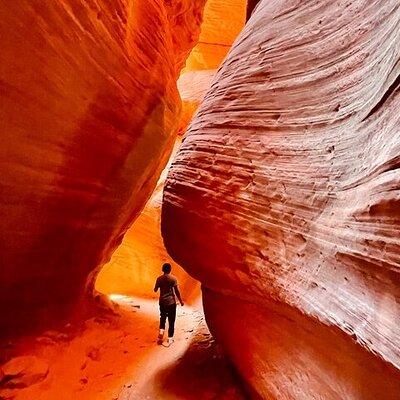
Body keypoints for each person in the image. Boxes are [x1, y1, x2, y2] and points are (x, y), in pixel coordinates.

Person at [154, 263, 184, 345]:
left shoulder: (159, 279)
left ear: (162, 269)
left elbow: (155, 289)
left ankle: (161, 331)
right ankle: (170, 338)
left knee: (162, 317)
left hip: (162, 302)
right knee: (171, 320)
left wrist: (159, 286)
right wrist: (181, 301)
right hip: (171, 302)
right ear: (170, 269)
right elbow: (176, 291)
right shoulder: (173, 278)